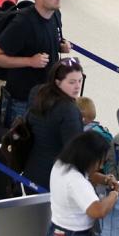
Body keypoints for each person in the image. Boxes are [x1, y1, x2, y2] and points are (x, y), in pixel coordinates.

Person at [0, 0, 72, 128]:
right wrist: (30, 61)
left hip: (46, 96)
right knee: (17, 146)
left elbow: (46, 40)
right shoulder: (22, 23)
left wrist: (61, 45)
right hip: (21, 99)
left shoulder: (55, 15)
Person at [24, 60, 86, 190]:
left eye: (80, 81)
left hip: (31, 172)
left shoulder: (37, 92)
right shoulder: (69, 111)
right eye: (72, 82)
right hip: (54, 182)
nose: (77, 86)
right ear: (57, 82)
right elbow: (74, 152)